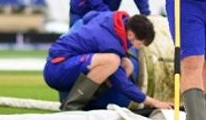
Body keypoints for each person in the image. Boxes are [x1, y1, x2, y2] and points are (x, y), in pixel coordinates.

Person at [43, 10, 172, 111]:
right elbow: (122, 84)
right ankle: (71, 106)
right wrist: (154, 102)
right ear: (131, 35)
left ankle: (89, 99)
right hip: (57, 68)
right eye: (139, 45)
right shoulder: (110, 44)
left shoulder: (112, 19)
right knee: (113, 61)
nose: (136, 48)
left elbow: (89, 16)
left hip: (63, 61)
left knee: (127, 64)